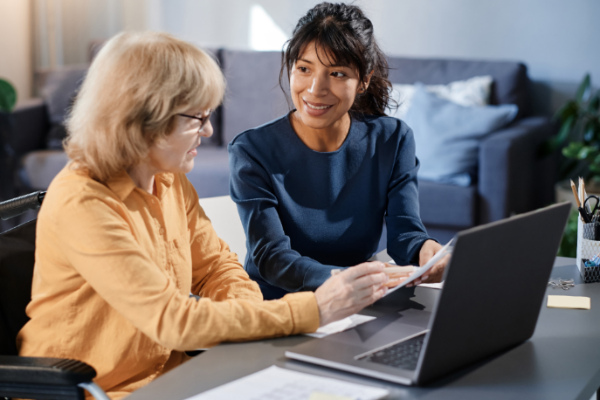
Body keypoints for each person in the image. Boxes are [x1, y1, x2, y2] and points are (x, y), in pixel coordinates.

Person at [16, 31, 390, 399]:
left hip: (173, 377)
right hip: (100, 391)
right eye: (197, 117)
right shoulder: (84, 202)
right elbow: (172, 321)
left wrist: (252, 320)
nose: (209, 130)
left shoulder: (168, 178)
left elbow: (217, 267)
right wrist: (313, 309)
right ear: (145, 119)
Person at [229, 2, 448, 300]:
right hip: (281, 309)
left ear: (364, 81)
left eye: (337, 74)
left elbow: (405, 235)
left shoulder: (392, 139)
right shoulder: (252, 150)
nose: (315, 89)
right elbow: (271, 258)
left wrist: (427, 251)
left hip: (359, 302)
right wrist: (344, 280)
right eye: (304, 69)